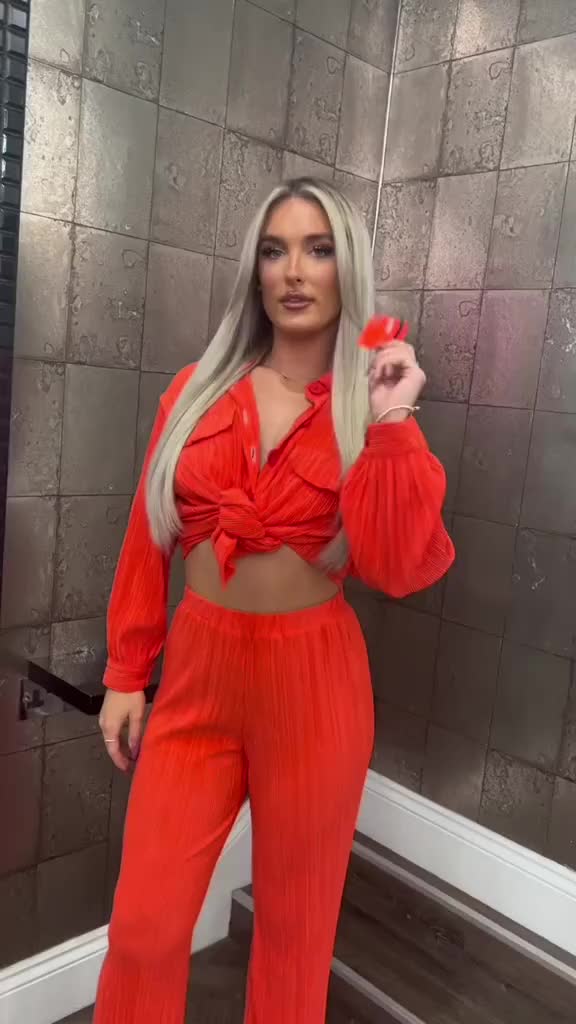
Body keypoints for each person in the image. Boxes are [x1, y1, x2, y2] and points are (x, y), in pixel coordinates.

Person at [94, 177, 454, 1024]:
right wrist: (125, 671)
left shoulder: (371, 411)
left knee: (295, 939)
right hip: (198, 677)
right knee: (144, 928)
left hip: (315, 685)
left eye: (318, 250)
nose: (295, 271)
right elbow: (147, 534)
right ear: (254, 271)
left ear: (345, 269)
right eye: (275, 250)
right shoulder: (194, 390)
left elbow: (397, 568)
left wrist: (394, 420)